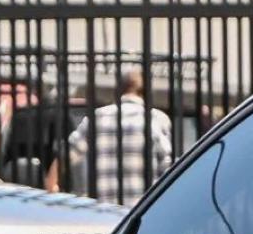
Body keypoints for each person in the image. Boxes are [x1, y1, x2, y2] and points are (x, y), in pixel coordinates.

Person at [57, 69, 173, 202]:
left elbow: (67, 154)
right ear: (146, 92)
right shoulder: (157, 119)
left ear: (118, 90)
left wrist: (52, 184)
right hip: (143, 208)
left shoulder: (96, 117)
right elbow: (167, 168)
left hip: (104, 209)